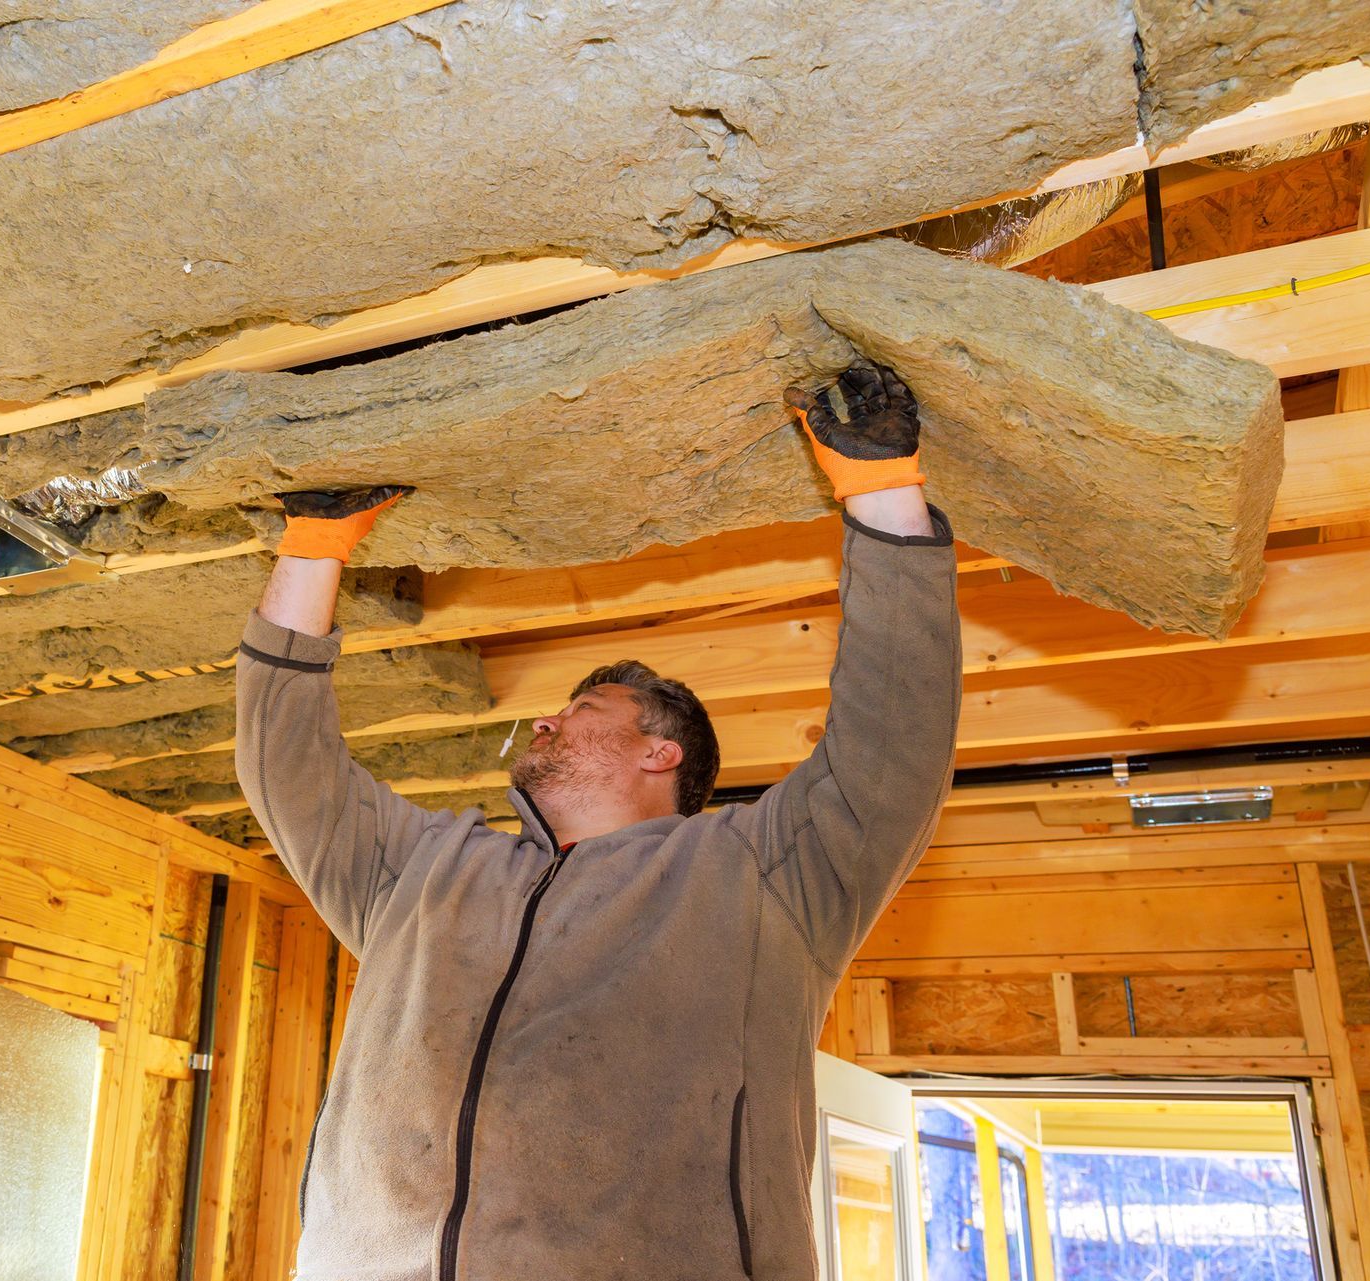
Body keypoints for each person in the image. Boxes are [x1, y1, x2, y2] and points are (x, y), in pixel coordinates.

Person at [234, 361, 961, 1280]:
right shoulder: (427, 870)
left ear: (663, 752)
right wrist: (314, 545)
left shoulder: (763, 876)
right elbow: (283, 766)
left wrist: (880, 487)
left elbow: (892, 738)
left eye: (589, 706)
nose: (545, 718)